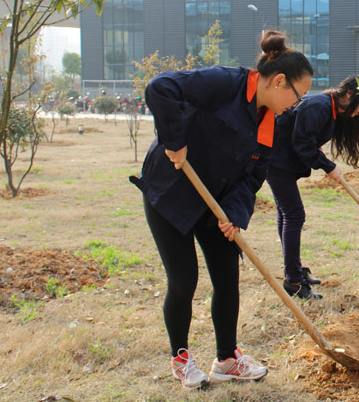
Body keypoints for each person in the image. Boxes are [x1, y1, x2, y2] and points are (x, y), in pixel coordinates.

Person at [129, 30, 313, 390]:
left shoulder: (268, 123)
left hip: (215, 203)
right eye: (297, 96)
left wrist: (233, 215)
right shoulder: (224, 82)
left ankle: (227, 359)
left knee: (227, 277)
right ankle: (181, 359)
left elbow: (254, 176)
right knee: (184, 281)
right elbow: (159, 88)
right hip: (171, 192)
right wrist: (175, 141)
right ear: (278, 82)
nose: (296, 104)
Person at [266, 75, 359, 300]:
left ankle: (294, 270)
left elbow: (306, 139)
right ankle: (294, 281)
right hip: (275, 161)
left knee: (287, 215)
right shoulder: (320, 106)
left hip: (281, 162)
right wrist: (328, 166)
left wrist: (324, 159)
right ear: (350, 95)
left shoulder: (330, 109)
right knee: (294, 215)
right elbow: (301, 143)